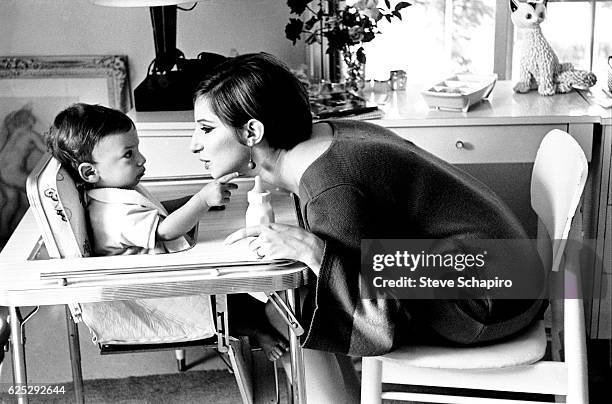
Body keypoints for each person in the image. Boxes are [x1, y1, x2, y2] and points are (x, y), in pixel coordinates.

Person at [190, 52, 547, 402]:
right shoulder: (327, 135)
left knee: (291, 308)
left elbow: (380, 317)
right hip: (506, 271)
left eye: (206, 129)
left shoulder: (330, 188)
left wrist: (314, 253)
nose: (195, 145)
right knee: (296, 301)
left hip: (488, 302)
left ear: (252, 131)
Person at [45, 103, 287, 360]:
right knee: (231, 301)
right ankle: (258, 329)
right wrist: (201, 201)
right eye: (128, 154)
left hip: (160, 279)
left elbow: (155, 211)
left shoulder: (115, 192)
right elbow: (164, 230)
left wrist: (190, 200)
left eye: (137, 148)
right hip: (154, 296)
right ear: (90, 172)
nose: (141, 158)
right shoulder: (113, 214)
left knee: (240, 297)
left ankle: (264, 322)